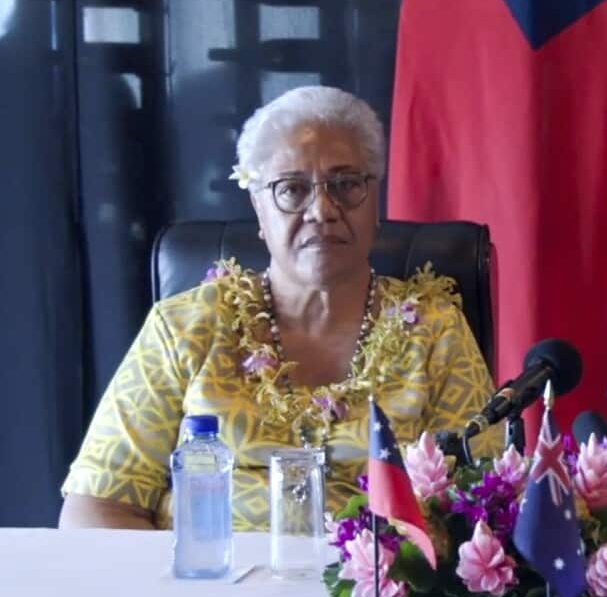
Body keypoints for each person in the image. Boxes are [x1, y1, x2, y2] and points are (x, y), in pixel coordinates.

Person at [60, 86, 501, 530]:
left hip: (373, 593)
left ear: (375, 201)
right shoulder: (183, 328)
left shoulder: (435, 332)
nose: (321, 211)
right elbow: (97, 508)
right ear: (259, 207)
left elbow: (483, 506)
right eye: (292, 189)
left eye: (346, 185)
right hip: (205, 589)